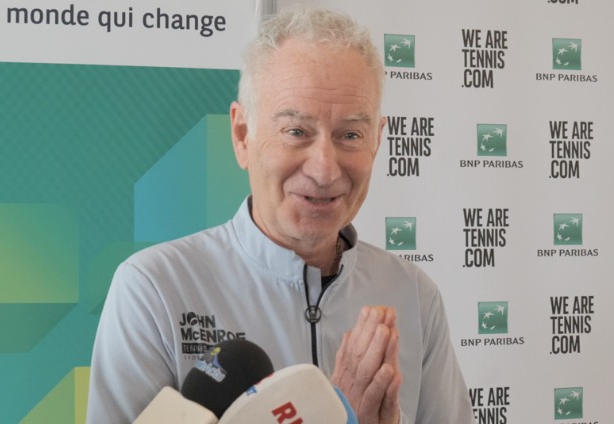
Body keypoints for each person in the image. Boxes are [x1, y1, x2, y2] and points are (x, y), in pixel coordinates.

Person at [87, 6, 474, 424]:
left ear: (377, 141)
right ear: (242, 135)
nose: (324, 169)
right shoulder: (154, 290)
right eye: (296, 132)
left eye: (350, 135)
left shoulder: (413, 294)